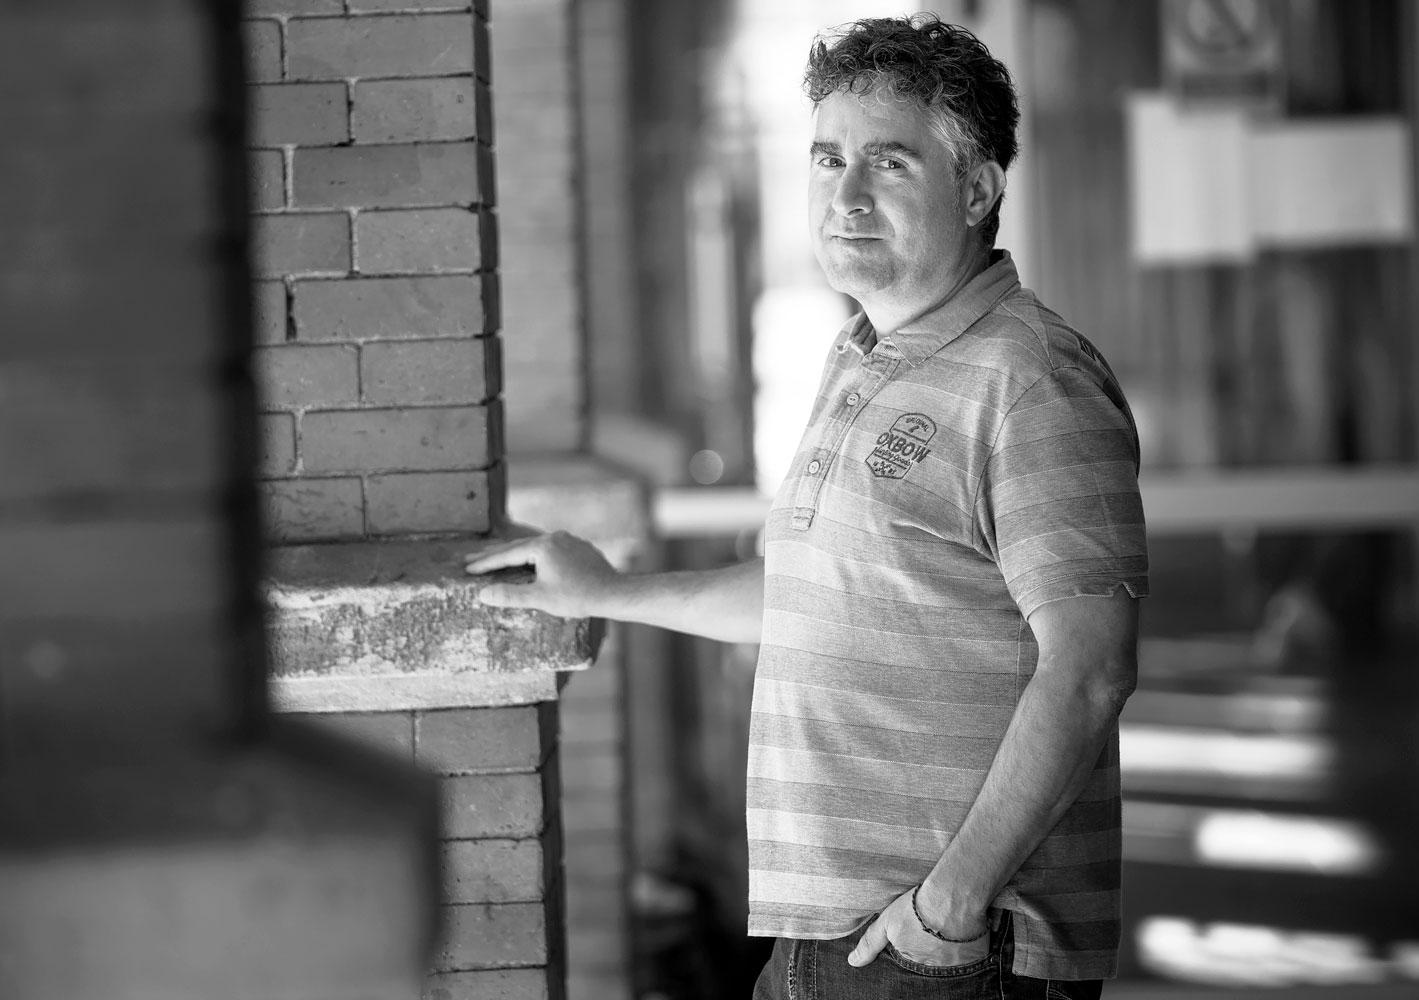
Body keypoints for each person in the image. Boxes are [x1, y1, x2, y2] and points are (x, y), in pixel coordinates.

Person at [468, 14, 1147, 998]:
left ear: (977, 189)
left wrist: (945, 908)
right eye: (828, 159)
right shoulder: (862, 355)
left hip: (950, 950)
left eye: (888, 163)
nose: (846, 194)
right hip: (833, 935)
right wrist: (607, 592)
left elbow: (1090, 668)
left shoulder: (1030, 379)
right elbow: (813, 594)